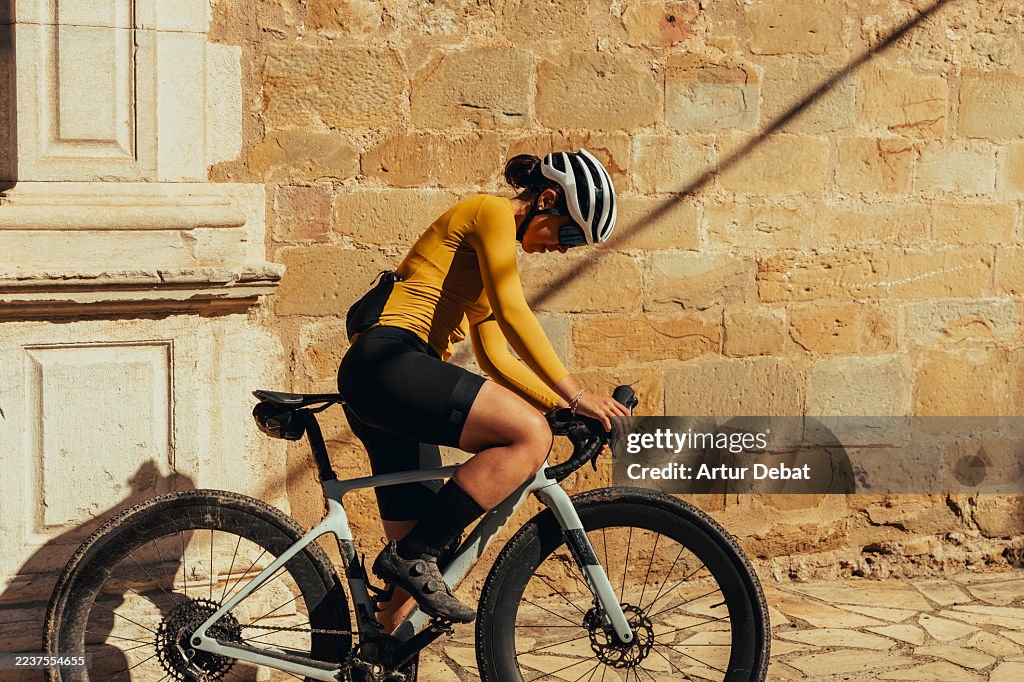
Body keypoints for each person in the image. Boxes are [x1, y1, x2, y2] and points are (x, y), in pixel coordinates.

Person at [337, 149, 630, 628]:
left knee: (409, 590)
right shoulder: (489, 211)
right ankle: (413, 556)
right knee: (528, 437)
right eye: (570, 232)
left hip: (393, 381)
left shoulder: (487, 255)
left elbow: (495, 352)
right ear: (546, 199)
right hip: (389, 361)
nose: (564, 248)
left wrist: (560, 408)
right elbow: (515, 313)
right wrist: (577, 395)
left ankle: (371, 656)